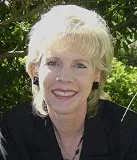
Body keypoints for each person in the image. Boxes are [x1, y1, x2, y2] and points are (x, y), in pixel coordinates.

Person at [0, 4, 137, 160]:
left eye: (79, 65)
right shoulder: (14, 128)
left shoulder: (128, 130)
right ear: (34, 69)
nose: (65, 77)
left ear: (96, 75)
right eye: (53, 63)